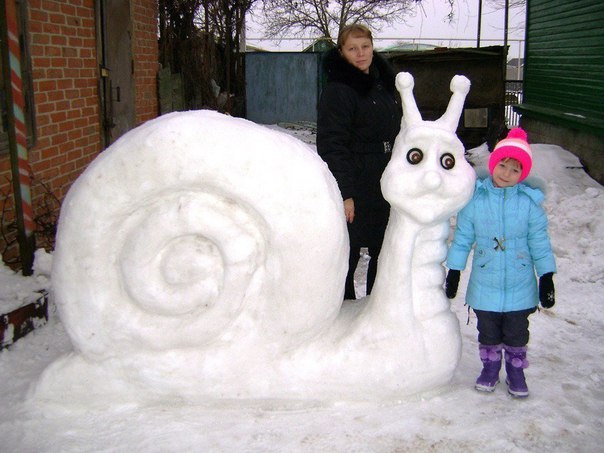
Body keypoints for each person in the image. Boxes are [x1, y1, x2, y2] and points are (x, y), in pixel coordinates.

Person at [445, 127, 557, 398]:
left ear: (523, 175)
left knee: (517, 331)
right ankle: (490, 368)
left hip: (520, 283)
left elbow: (539, 243)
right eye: (503, 165)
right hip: (485, 282)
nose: (506, 173)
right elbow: (462, 239)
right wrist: (455, 271)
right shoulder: (476, 201)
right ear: (494, 163)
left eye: (515, 170)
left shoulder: (529, 205)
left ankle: (516, 371)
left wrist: (547, 276)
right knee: (488, 331)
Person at [317, 24, 401, 300]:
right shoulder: (338, 90)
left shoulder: (384, 83)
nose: (360, 53)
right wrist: (345, 193)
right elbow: (332, 144)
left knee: (384, 249)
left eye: (365, 46)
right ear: (341, 52)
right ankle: (343, 309)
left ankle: (378, 309)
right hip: (356, 176)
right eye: (352, 48)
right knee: (349, 250)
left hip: (387, 176)